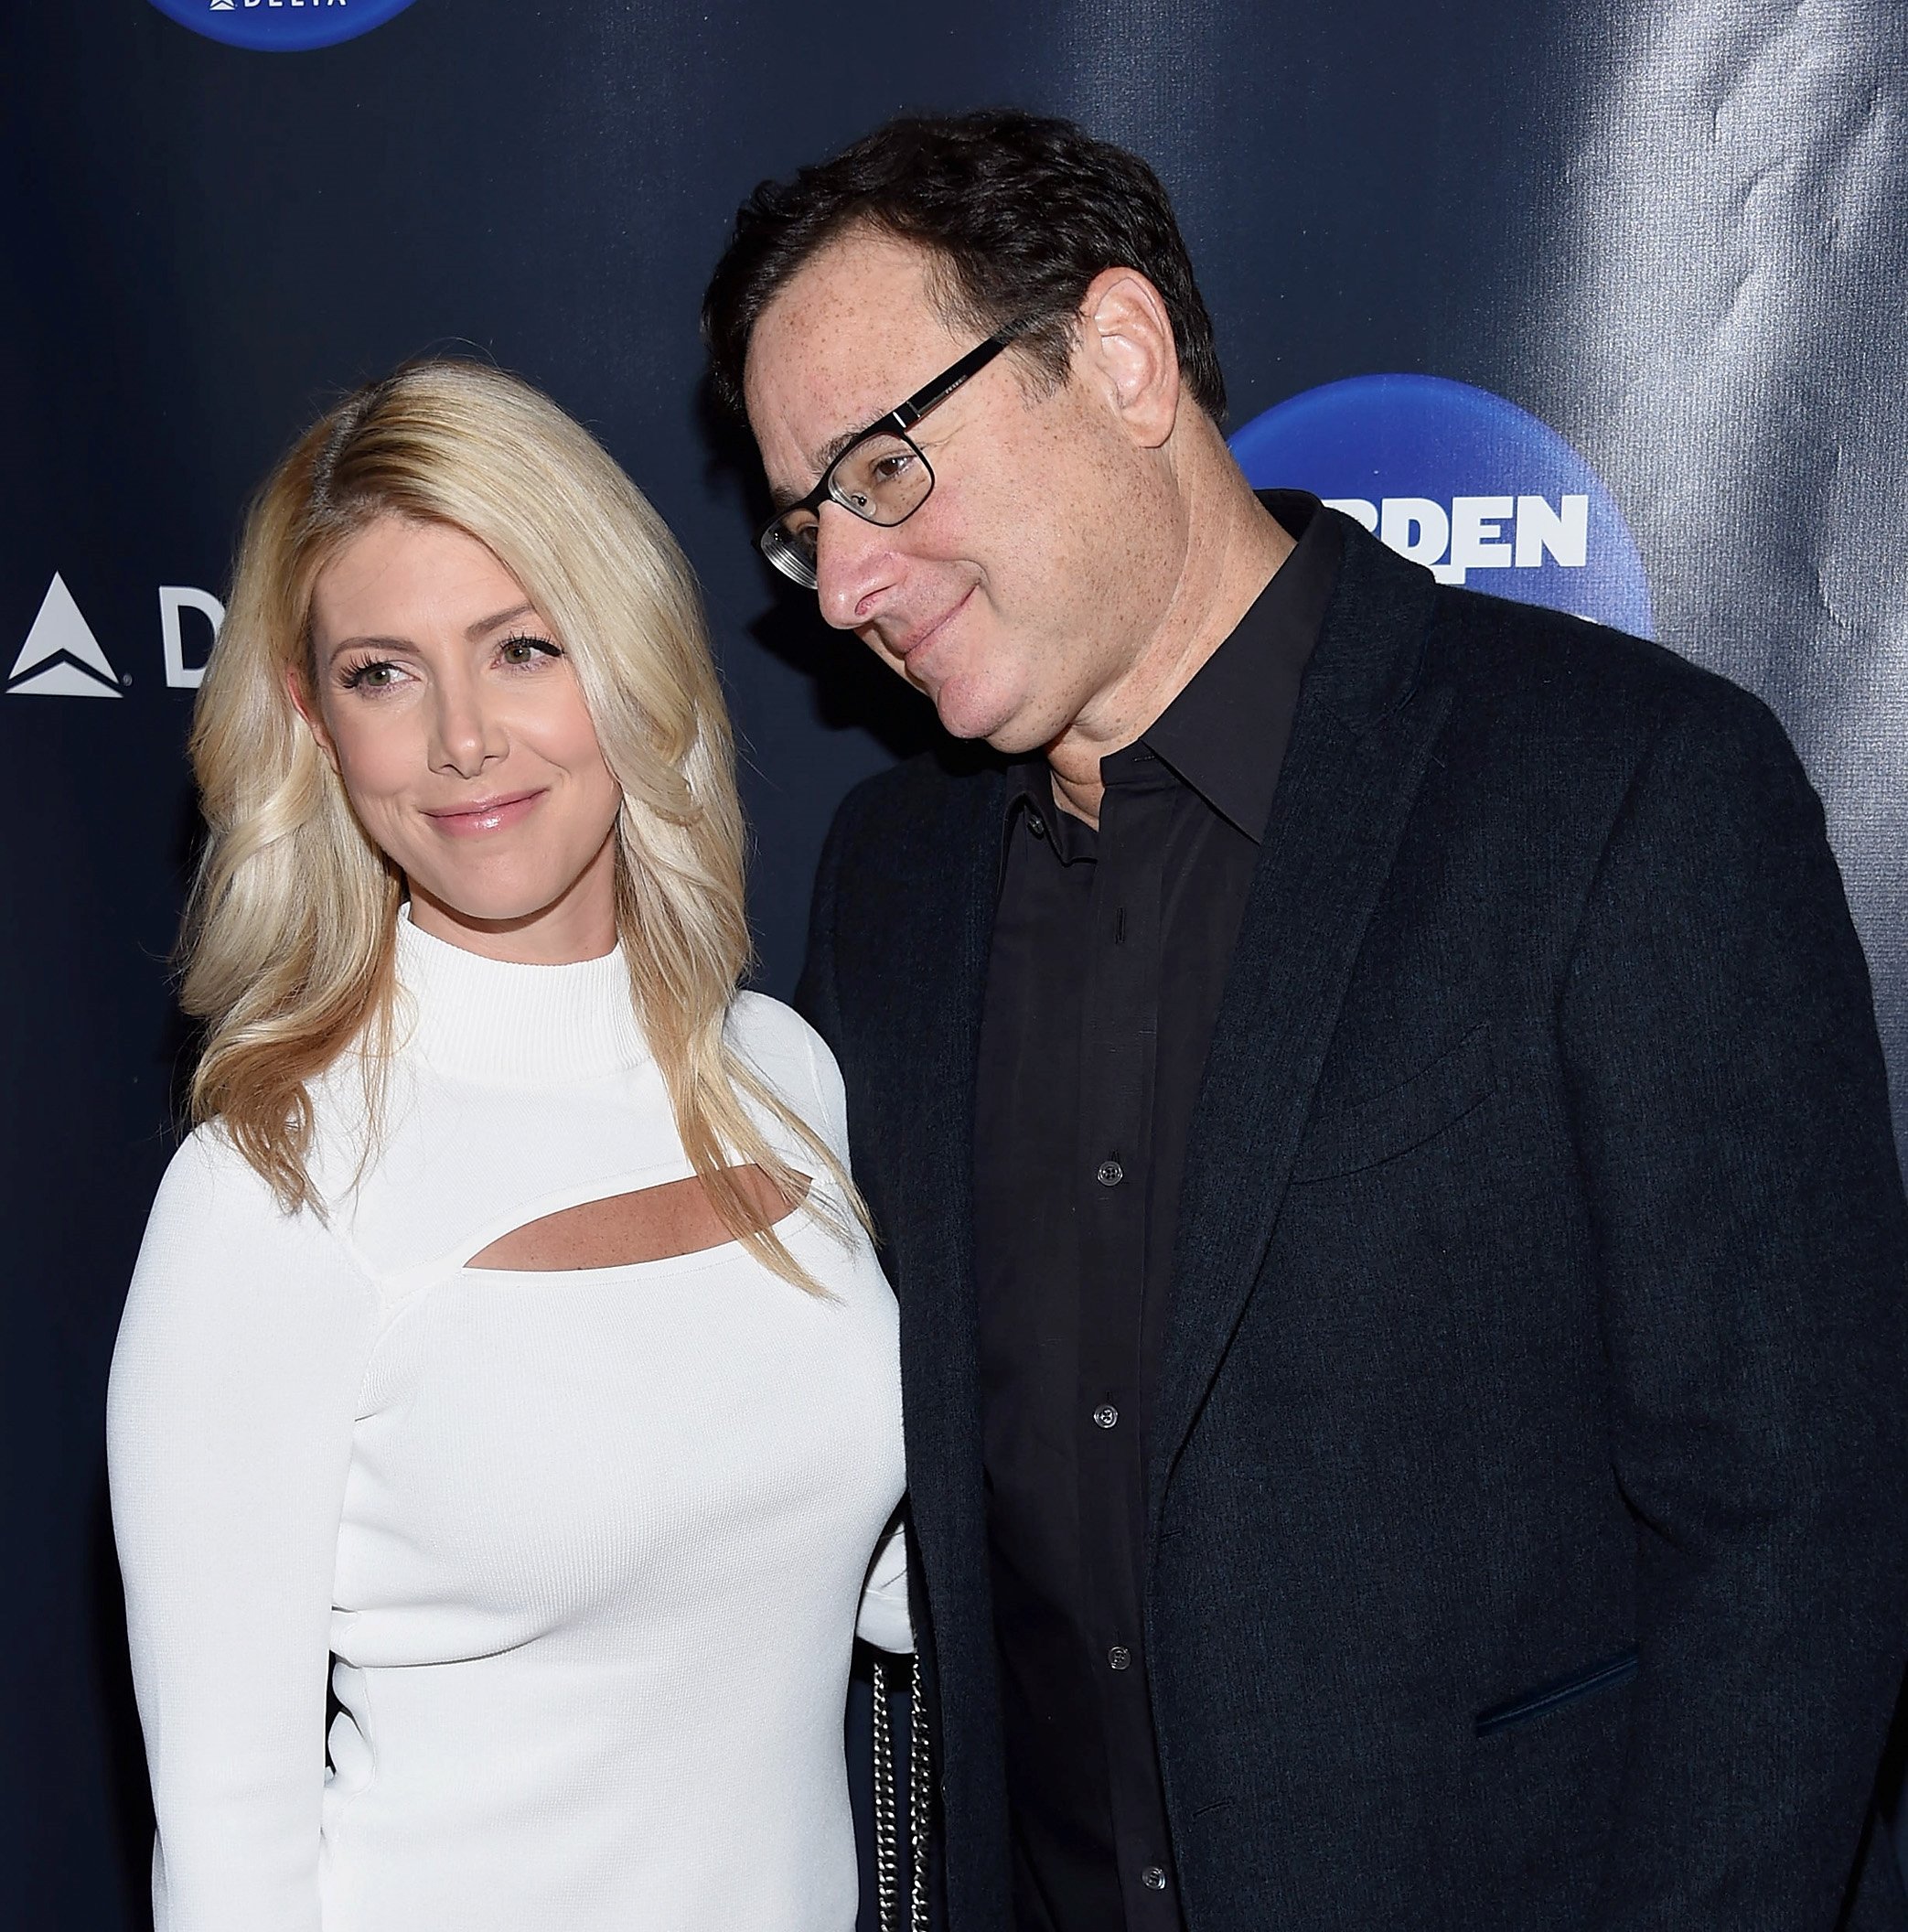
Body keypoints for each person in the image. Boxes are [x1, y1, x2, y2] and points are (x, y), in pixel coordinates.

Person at [702, 108, 1908, 1931]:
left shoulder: (1614, 791)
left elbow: (1792, 1534)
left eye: (882, 472)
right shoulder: (890, 882)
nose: (847, 586)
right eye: (806, 526)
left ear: (1115, 360)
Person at [107, 359, 909, 1932]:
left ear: (622, 660)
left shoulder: (783, 1074)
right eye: (384, 675)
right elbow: (229, 1851)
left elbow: (872, 1576)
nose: (463, 741)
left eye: (521, 649)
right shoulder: (271, 1190)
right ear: (313, 725)